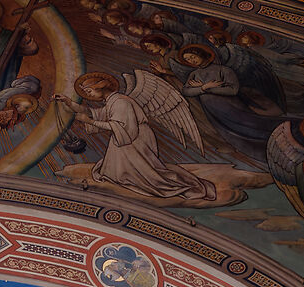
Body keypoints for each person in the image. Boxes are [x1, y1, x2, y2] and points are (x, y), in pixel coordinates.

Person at [60, 71, 216, 203]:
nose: (89, 95)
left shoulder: (121, 102)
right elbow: (92, 112)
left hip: (135, 138)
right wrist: (69, 102)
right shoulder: (112, 102)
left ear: (100, 87)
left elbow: (120, 127)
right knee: (116, 172)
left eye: (90, 91)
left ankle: (177, 186)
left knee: (148, 177)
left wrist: (90, 122)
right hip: (127, 138)